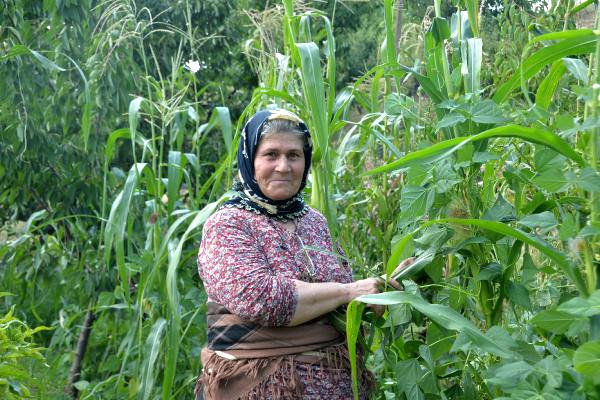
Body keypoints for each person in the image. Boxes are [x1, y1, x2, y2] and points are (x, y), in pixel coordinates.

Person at [195, 109, 411, 399]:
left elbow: (339, 294)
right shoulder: (229, 223)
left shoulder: (315, 222)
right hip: (258, 387)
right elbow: (262, 298)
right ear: (249, 160)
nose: (283, 166)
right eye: (271, 154)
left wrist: (381, 288)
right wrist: (348, 292)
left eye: (294, 155)